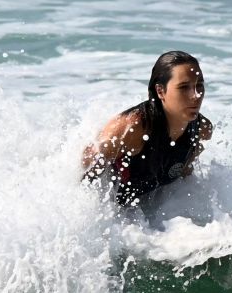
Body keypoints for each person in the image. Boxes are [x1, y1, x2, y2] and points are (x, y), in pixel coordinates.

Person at [82, 50, 213, 206]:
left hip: (149, 210)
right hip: (112, 209)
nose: (196, 95)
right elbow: (86, 168)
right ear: (160, 91)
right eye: (184, 87)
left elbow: (184, 177)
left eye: (199, 86)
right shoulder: (134, 129)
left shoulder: (201, 130)